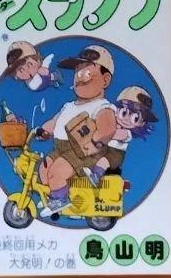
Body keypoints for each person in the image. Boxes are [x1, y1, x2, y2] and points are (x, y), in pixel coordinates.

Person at [34, 45, 118, 217]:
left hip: (82, 153)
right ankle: (54, 195)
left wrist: (96, 140)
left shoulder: (101, 106)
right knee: (43, 168)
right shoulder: (68, 106)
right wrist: (44, 130)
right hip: (60, 148)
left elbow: (108, 128)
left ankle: (60, 200)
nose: (80, 78)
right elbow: (54, 121)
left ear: (105, 80)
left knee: (57, 172)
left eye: (86, 73)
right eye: (77, 73)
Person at [84, 85, 158, 184]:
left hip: (115, 153)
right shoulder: (110, 117)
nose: (126, 119)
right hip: (103, 147)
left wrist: (102, 131)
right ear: (117, 109)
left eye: (135, 118)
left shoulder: (127, 133)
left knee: (104, 161)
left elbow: (114, 134)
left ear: (142, 123)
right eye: (124, 113)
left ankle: (96, 175)